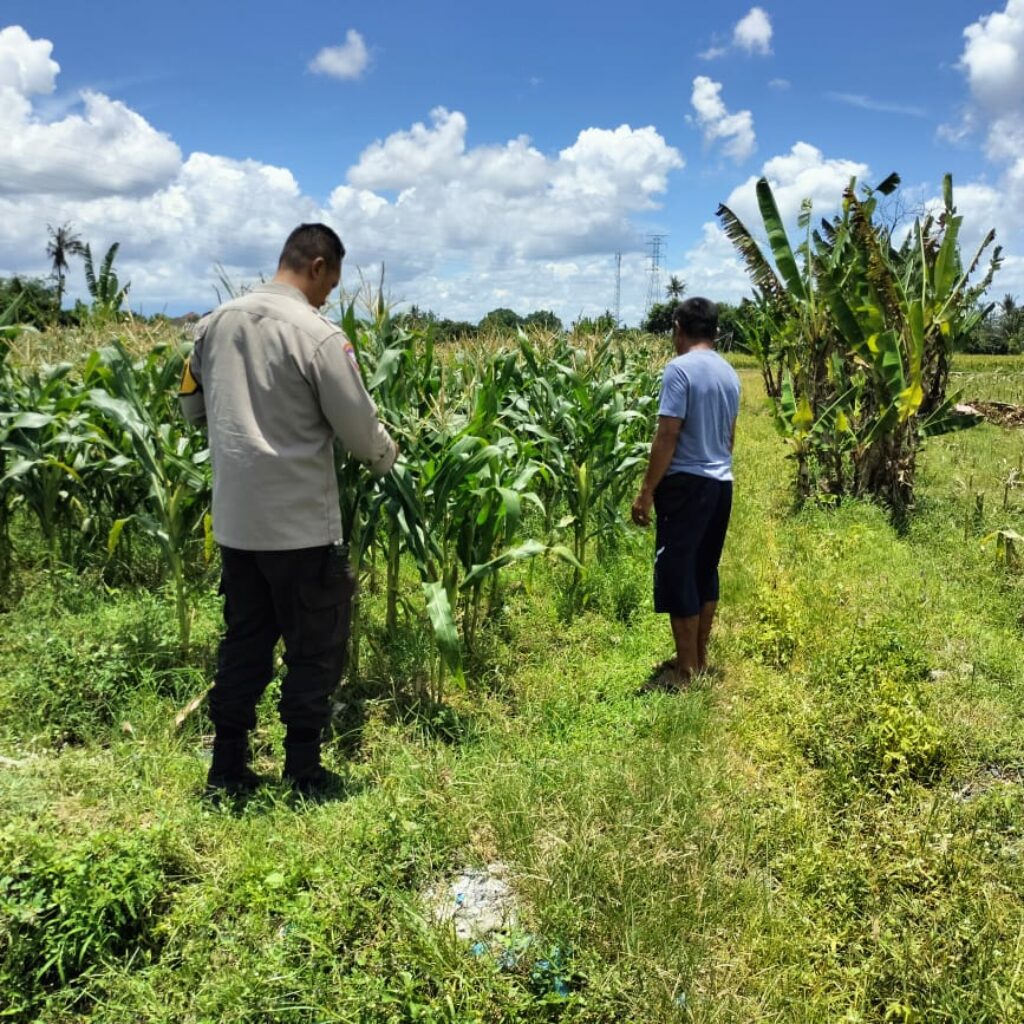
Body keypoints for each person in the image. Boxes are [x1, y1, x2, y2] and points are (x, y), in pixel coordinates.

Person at [179, 223, 398, 798]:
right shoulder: (319, 336)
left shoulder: (211, 326)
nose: (328, 296)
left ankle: (227, 767)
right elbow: (359, 431)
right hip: (300, 526)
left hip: (236, 523)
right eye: (331, 283)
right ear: (318, 265)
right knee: (314, 646)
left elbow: (189, 409)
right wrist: (386, 456)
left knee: (245, 640)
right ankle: (303, 771)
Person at [631, 297, 740, 689]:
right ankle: (697, 658)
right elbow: (729, 438)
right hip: (720, 483)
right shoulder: (731, 374)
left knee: (678, 573)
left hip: (686, 486)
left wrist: (646, 492)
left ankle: (685, 671)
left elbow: (667, 434)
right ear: (713, 330)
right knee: (704, 570)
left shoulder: (679, 370)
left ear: (679, 327)